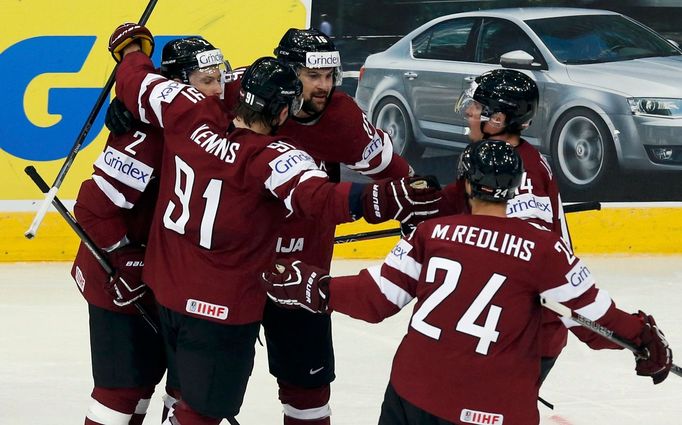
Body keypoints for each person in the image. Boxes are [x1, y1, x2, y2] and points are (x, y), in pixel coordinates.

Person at [107, 22, 440, 425]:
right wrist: (133, 117)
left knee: (305, 386)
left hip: (296, 274)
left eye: (329, 75)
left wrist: (415, 209)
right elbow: (170, 91)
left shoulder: (344, 119)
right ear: (285, 80)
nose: (324, 86)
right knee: (191, 391)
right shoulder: (235, 94)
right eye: (312, 75)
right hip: (236, 277)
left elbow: (395, 172)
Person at [261, 139, 673, 425]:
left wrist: (313, 287)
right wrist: (643, 339)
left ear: (466, 182)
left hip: (412, 395)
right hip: (492, 408)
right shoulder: (543, 249)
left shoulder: (432, 233)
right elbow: (596, 319)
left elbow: (375, 298)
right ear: (513, 188)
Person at [71, 32, 228, 425]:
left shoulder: (218, 126)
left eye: (218, 78)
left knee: (182, 391)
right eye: (205, 80)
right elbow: (91, 208)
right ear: (174, 86)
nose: (217, 89)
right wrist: (124, 260)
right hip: (119, 279)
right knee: (123, 392)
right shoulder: (145, 138)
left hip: (173, 279)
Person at [442, 69, 571, 384]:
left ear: (497, 119)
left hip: (521, 334)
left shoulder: (522, 174)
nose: (469, 111)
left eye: (477, 106)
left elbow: (529, 255)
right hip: (501, 327)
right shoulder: (492, 159)